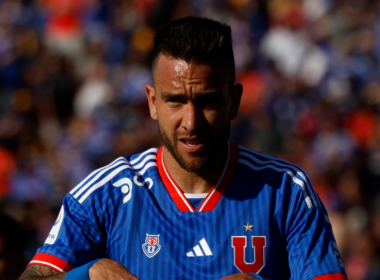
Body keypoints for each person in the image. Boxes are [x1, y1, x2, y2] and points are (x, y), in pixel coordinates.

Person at [19, 17, 347, 280]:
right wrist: (85, 275)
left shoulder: (286, 191)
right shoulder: (105, 195)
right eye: (175, 101)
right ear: (152, 101)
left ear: (234, 101)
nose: (191, 122)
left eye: (206, 101)